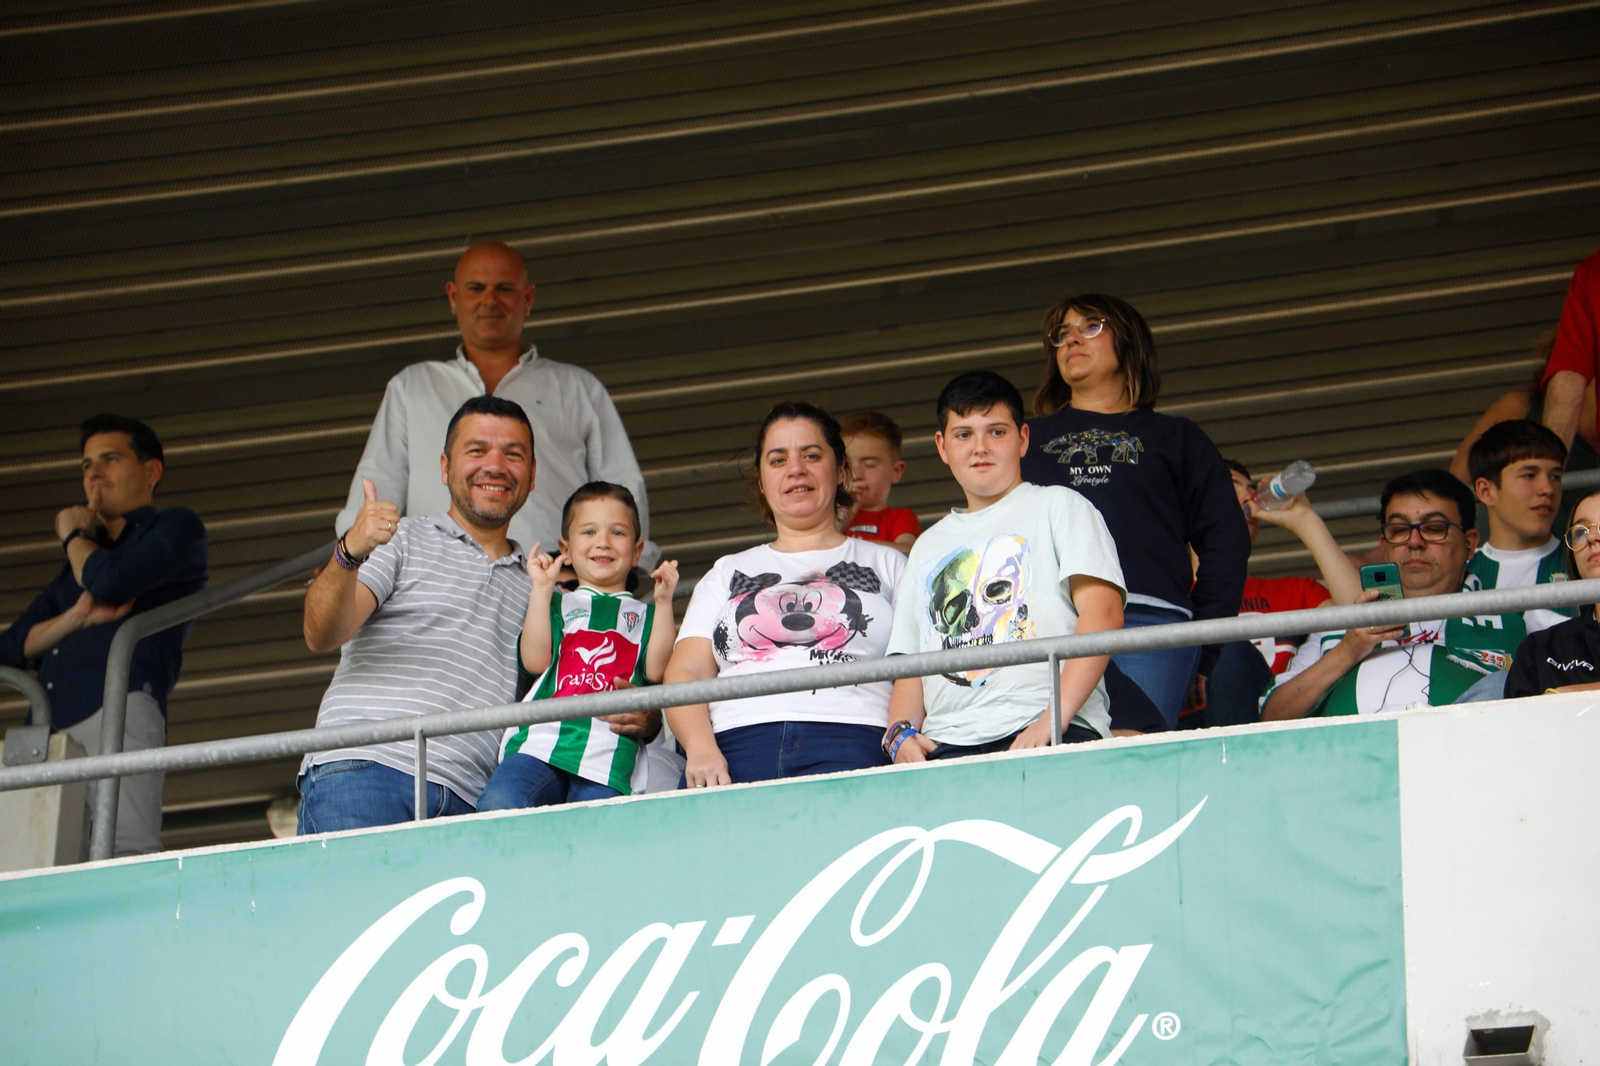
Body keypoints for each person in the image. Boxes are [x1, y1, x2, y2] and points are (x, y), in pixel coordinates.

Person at [298, 397, 649, 831]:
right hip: (367, 769)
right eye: (477, 450)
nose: (496, 465)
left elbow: (575, 691)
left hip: (475, 801)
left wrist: (647, 718)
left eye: (513, 454)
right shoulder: (401, 539)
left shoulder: (546, 588)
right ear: (444, 467)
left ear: (533, 474)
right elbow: (320, 633)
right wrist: (350, 551)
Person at [335, 241, 656, 569]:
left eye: (504, 288)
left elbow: (623, 494)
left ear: (527, 299)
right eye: (476, 288)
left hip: (556, 582)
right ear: (453, 297)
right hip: (439, 580)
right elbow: (375, 491)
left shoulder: (577, 388)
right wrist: (349, 558)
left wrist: (622, 572)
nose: (490, 300)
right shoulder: (412, 387)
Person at [1020, 293, 1249, 728]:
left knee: (1130, 754)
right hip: (1047, 626)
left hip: (1149, 621)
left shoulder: (1177, 437)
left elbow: (1226, 541)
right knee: (1052, 760)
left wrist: (1207, 642)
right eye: (1061, 334)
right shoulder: (1026, 438)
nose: (1071, 340)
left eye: (1090, 327)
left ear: (1129, 341)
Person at [886, 371, 1126, 763]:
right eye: (964, 434)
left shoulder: (1060, 506)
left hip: (1051, 730)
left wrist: (1054, 719)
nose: (980, 447)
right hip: (947, 745)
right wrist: (900, 737)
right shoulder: (927, 545)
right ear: (942, 446)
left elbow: (1104, 614)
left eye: (996, 432)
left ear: (1024, 439)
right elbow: (912, 664)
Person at [0, 415, 209, 857]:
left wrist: (74, 534)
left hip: (121, 706)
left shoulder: (174, 528)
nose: (93, 473)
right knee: (32, 858)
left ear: (151, 471)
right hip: (48, 727)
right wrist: (74, 619)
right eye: (86, 465)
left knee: (122, 846)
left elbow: (110, 581)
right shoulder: (75, 569)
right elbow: (10, 647)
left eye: (110, 459)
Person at [665, 402, 905, 786]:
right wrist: (701, 748)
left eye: (812, 455)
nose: (796, 469)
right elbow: (685, 670)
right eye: (778, 460)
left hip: (856, 737)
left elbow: (918, 665)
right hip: (734, 746)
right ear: (761, 480)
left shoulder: (890, 563)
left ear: (841, 470)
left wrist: (900, 738)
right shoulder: (727, 570)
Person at [1262, 469, 1527, 720]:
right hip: (1353, 756)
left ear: (1470, 544)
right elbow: (1271, 717)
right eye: (1399, 530)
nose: (1414, 542)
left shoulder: (1516, 617)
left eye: (1434, 528)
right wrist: (1348, 651)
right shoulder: (1343, 624)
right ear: (1384, 546)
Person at [477, 483, 678, 809]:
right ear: (565, 549)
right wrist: (541, 591)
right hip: (540, 745)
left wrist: (666, 603)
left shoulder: (648, 614)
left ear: (637, 551)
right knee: (500, 803)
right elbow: (534, 660)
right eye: (589, 531)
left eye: (617, 533)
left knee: (597, 840)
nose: (603, 542)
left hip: (608, 755)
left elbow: (656, 671)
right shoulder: (557, 604)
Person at [1194, 459, 1362, 727]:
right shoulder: (1169, 602)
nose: (1248, 495)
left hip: (1276, 728)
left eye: (1250, 488)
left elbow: (1368, 622)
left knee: (1229, 648)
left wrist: (1304, 519)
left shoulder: (1294, 592)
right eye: (1228, 485)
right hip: (1189, 740)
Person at [1463, 420, 1572, 635]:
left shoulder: (1582, 562)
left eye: (1555, 476)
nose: (1548, 489)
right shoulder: (1459, 573)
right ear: (1486, 491)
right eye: (1529, 475)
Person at [1504, 486, 1600, 697]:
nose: (1592, 537)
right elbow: (1519, 726)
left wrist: (1564, 696)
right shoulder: (1540, 649)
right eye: (1580, 532)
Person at [1537, 247, 1600, 452]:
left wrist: (1546, 473)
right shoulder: (1592, 272)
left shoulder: (1593, 271)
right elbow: (1568, 375)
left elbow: (1569, 376)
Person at [841, 411, 920, 551]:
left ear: (896, 472)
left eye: (869, 464)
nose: (855, 474)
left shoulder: (900, 517)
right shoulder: (828, 515)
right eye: (846, 465)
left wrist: (853, 546)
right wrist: (845, 511)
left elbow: (908, 551)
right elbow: (819, 546)